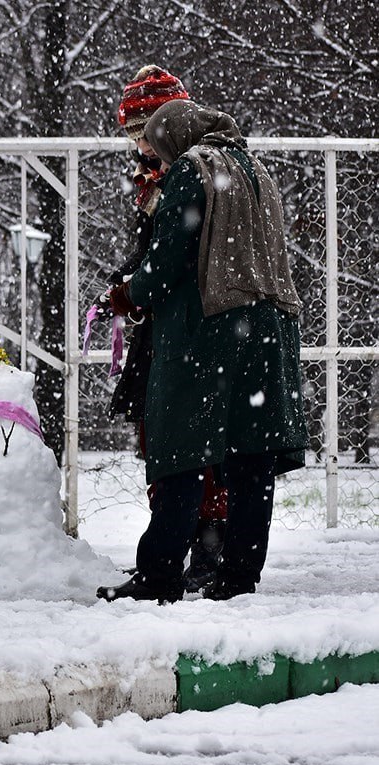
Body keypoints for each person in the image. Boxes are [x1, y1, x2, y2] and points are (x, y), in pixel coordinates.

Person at [97, 99, 308, 604]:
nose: (158, 166)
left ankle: (159, 574)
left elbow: (170, 256)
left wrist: (127, 293)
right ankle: (238, 578)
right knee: (250, 458)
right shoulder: (257, 169)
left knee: (180, 450)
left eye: (159, 152)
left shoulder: (194, 168)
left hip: (211, 330)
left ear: (176, 139)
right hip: (271, 330)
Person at [100, 66, 228, 591]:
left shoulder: (191, 174)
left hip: (191, 327)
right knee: (158, 437)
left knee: (194, 441)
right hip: (162, 326)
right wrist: (128, 282)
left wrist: (137, 287)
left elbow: (178, 253)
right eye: (132, 134)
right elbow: (155, 250)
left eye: (146, 131)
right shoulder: (151, 181)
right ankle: (172, 545)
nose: (141, 145)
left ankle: (206, 544)